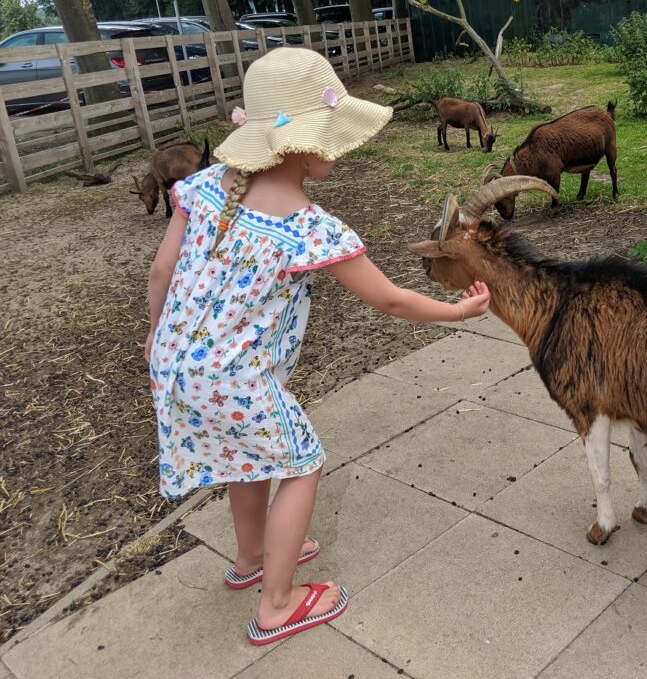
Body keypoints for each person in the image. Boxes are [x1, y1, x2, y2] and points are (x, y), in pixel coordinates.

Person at [146, 48, 490, 645]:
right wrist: (460, 310)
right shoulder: (309, 227)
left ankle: (253, 556)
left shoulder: (200, 185)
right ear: (301, 141)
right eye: (327, 134)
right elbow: (389, 300)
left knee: (245, 458)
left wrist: (157, 338)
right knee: (302, 462)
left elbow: (160, 273)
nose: (336, 147)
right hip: (236, 376)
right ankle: (276, 604)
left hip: (175, 362)